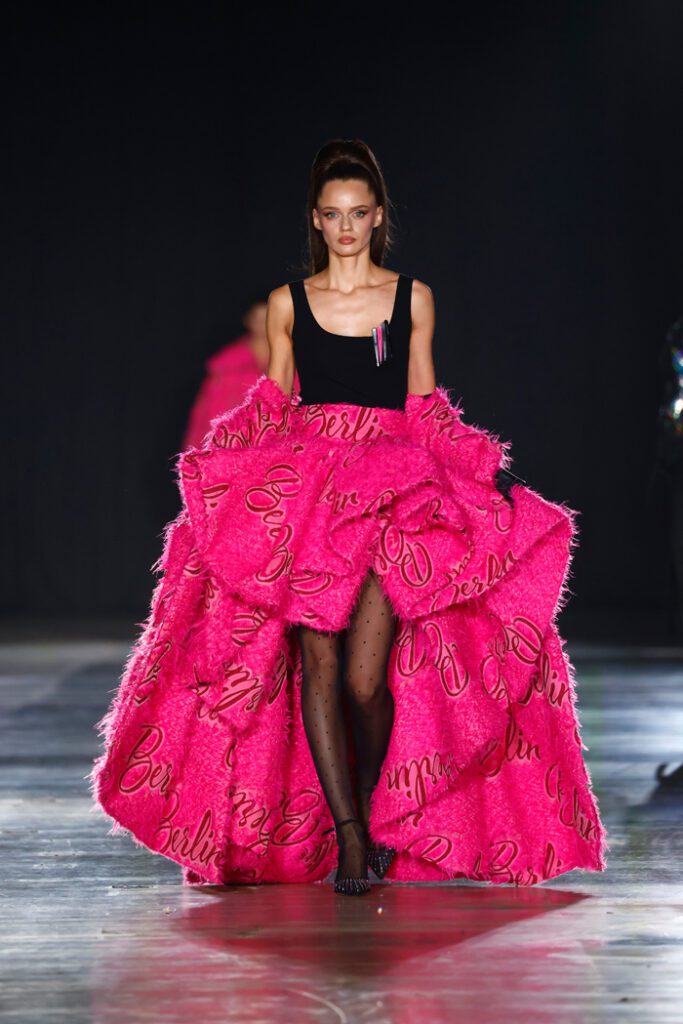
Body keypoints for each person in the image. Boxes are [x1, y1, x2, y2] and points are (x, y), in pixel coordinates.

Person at [89, 138, 608, 897]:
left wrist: (482, 470)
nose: (344, 227)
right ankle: (351, 838)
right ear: (315, 219)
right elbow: (273, 403)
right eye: (331, 214)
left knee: (365, 682)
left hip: (391, 490)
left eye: (357, 214)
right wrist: (224, 472)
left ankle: (373, 803)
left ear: (377, 217)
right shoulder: (288, 303)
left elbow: (423, 404)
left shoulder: (411, 299)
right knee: (319, 665)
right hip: (309, 496)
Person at [183, 299, 281, 450]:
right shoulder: (227, 365)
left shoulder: (289, 362)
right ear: (248, 321)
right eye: (258, 318)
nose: (263, 324)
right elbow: (207, 413)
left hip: (277, 447)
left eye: (268, 317)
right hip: (233, 447)